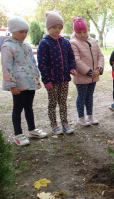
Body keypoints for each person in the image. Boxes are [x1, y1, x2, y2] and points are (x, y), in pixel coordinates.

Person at [1, 17, 47, 146]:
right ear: (13, 30)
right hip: (18, 85)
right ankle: (18, 134)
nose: (24, 35)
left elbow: (32, 63)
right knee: (18, 108)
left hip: (30, 82)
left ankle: (32, 129)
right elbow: (6, 67)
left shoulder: (26, 46)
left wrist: (36, 78)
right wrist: (11, 85)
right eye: (21, 32)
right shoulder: (7, 46)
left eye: (26, 32)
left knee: (29, 107)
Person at [37, 10, 77, 135]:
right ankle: (54, 125)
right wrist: (46, 80)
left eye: (59, 27)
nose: (57, 30)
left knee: (63, 102)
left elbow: (71, 57)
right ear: (48, 27)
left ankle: (65, 123)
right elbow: (42, 64)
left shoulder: (65, 42)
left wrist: (72, 68)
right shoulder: (44, 44)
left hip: (64, 79)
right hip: (52, 81)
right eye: (54, 27)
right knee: (53, 103)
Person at [70, 17, 104, 126]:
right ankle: (81, 117)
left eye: (84, 31)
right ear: (75, 32)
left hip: (93, 76)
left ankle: (90, 116)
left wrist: (99, 69)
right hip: (82, 77)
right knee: (82, 96)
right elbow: (76, 60)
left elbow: (100, 56)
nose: (82, 34)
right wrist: (89, 72)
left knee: (90, 96)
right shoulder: (73, 43)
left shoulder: (93, 41)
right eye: (79, 32)